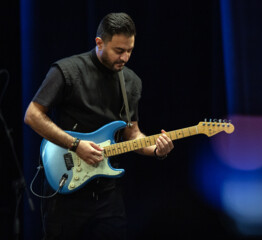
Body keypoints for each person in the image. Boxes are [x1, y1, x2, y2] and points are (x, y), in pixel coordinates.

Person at [24, 12, 174, 239]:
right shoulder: (68, 71)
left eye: (130, 51)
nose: (125, 57)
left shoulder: (131, 82)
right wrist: (76, 145)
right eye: (119, 51)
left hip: (107, 196)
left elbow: (132, 134)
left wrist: (156, 150)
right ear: (99, 43)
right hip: (66, 193)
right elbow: (33, 115)